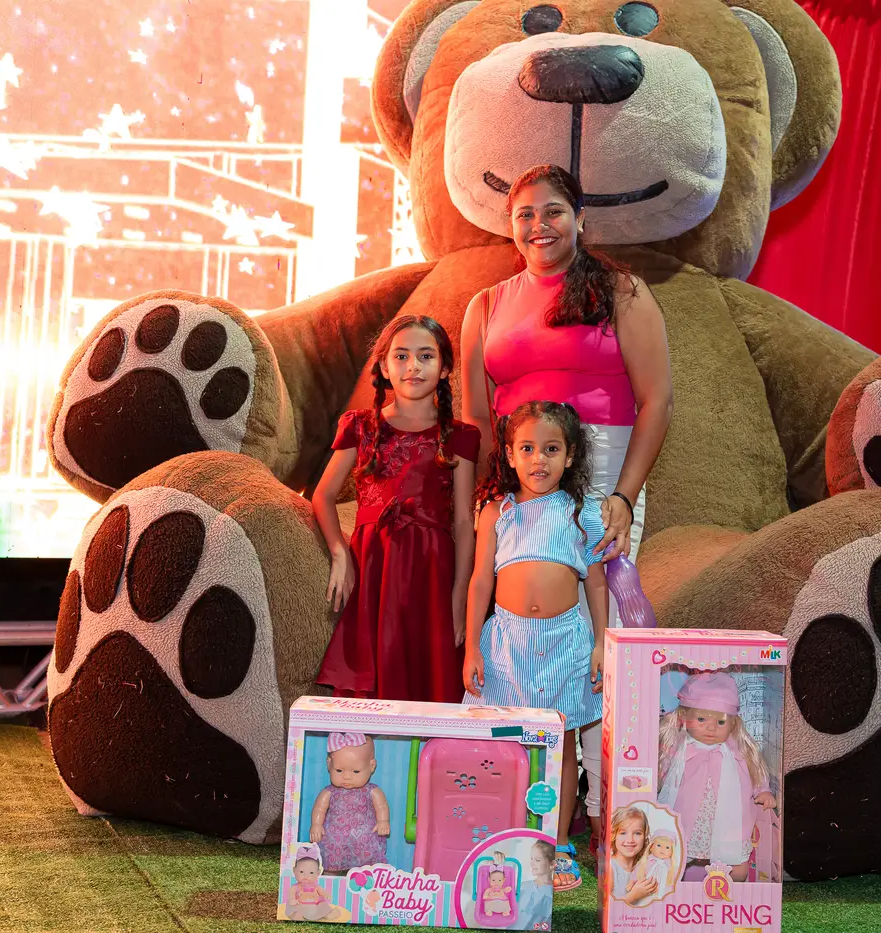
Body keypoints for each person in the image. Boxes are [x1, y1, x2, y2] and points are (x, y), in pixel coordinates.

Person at [461, 164, 673, 849]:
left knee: (598, 651)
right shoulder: (485, 305)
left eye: (553, 211)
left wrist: (623, 496)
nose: (539, 225)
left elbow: (657, 400)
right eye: (524, 214)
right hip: (518, 479)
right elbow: (476, 422)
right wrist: (488, 496)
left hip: (603, 473)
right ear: (509, 226)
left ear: (581, 218)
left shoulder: (621, 291)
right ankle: (531, 816)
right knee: (524, 640)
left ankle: (614, 821)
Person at [462, 401, 608, 891]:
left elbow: (596, 583)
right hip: (507, 644)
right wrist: (472, 648)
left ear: (570, 456)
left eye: (551, 449)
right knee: (507, 745)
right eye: (526, 448)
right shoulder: (495, 511)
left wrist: (601, 645)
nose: (538, 459)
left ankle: (558, 843)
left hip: (565, 643)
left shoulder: (580, 512)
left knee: (562, 746)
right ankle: (504, 837)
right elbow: (481, 581)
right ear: (509, 455)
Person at [314, 315, 479, 702]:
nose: (413, 366)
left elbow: (463, 522)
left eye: (426, 356)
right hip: (374, 569)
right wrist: (339, 553)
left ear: (445, 368)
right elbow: (322, 496)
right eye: (401, 356)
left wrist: (460, 597)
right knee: (374, 680)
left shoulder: (459, 436)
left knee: (431, 680)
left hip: (433, 575)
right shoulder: (360, 427)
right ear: (385, 368)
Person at [657, 672, 777, 882]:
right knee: (679, 853)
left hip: (728, 816)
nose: (711, 728)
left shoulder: (736, 748)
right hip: (688, 815)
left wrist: (763, 790)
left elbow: (755, 768)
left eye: (721, 722)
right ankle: (688, 879)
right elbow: (661, 771)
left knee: (735, 864)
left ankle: (727, 883)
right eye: (701, 719)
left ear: (733, 724)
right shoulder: (680, 747)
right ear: (684, 717)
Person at [308, 732, 391, 874]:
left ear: (372, 766)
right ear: (329, 764)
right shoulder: (329, 792)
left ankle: (367, 876)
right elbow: (319, 809)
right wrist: (316, 824)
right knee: (330, 851)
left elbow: (381, 806)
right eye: (339, 770)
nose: (346, 776)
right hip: (335, 835)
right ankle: (329, 876)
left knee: (367, 854)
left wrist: (383, 821)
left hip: (364, 834)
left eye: (356, 771)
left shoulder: (372, 791)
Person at [607, 806, 657, 906]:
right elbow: (608, 906)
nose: (630, 840)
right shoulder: (610, 868)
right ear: (614, 835)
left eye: (637, 833)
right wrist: (633, 896)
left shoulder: (644, 865)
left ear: (645, 836)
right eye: (623, 833)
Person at [512, 842, 556, 931]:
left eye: (537, 860)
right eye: (531, 858)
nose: (532, 863)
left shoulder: (553, 892)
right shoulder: (522, 886)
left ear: (552, 864)